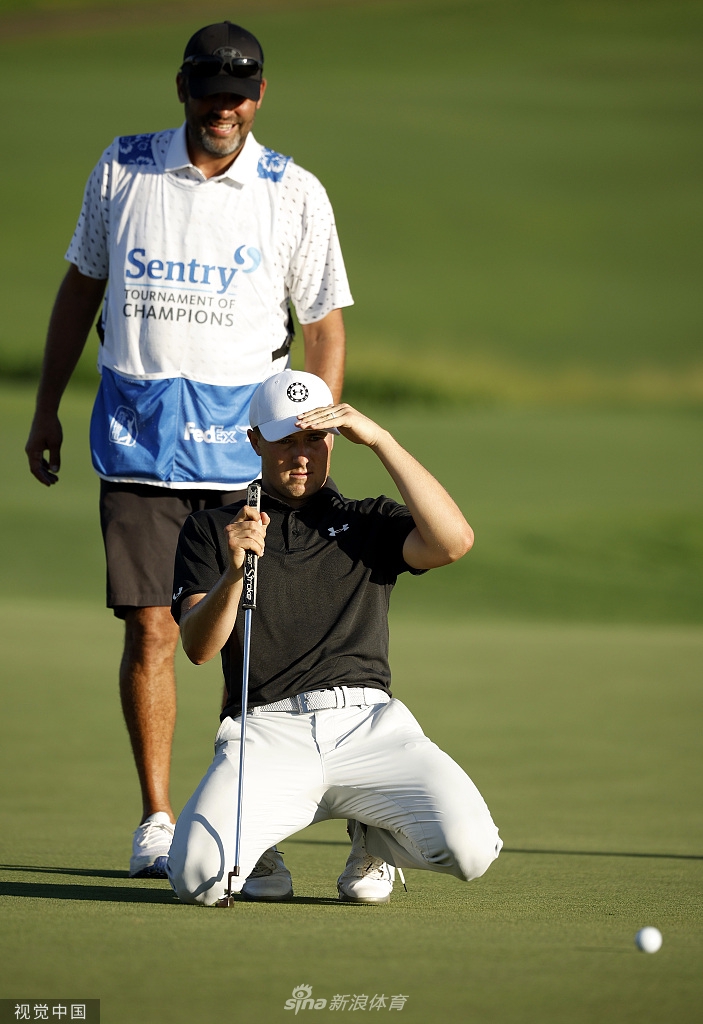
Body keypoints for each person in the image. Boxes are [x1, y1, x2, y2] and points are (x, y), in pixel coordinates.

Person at [24, 22, 352, 881]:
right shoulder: (124, 167)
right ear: (182, 87)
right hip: (135, 442)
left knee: (250, 646)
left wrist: (311, 432)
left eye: (240, 90)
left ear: (261, 97)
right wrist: (47, 406)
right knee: (151, 631)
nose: (225, 105)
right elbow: (82, 285)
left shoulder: (292, 191)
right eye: (210, 88)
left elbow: (321, 325)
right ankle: (160, 821)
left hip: (243, 453)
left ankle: (250, 824)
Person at [167, 370, 502, 905]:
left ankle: (375, 836)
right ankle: (260, 847)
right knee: (196, 880)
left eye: (315, 438)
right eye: (286, 440)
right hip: (267, 732)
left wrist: (381, 440)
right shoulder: (215, 529)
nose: (302, 454)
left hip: (370, 727)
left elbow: (454, 542)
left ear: (334, 440)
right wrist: (233, 573)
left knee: (473, 850)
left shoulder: (367, 521)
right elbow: (199, 648)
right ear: (255, 441)